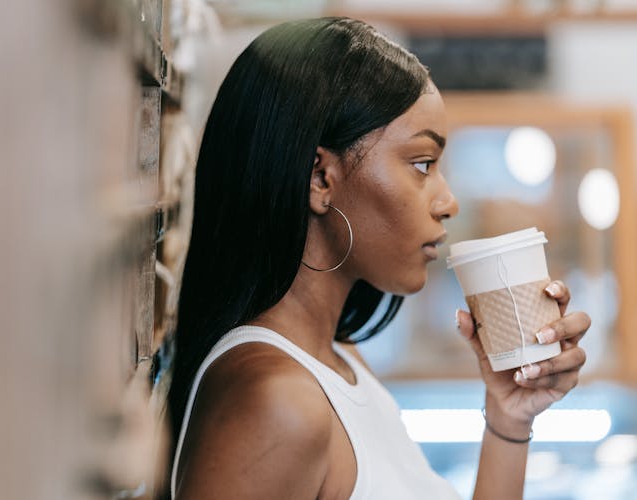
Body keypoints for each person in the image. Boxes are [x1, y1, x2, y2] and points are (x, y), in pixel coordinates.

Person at [164, 17, 590, 499]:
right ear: (320, 177)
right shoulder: (277, 402)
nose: (448, 201)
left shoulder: (338, 361)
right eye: (422, 164)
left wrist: (509, 415)